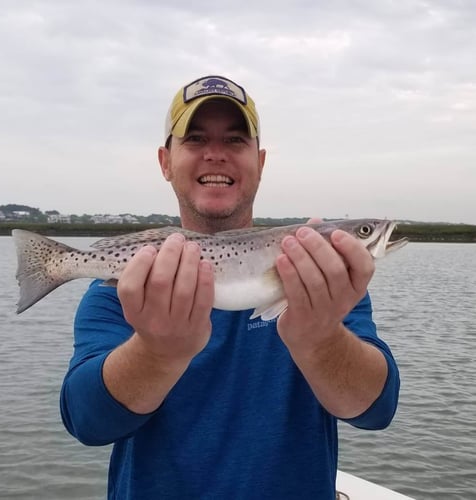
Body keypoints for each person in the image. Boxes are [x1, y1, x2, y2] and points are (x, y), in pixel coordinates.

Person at [60, 75, 400, 499]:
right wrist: (156, 353)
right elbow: (86, 422)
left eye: (236, 141)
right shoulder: (121, 290)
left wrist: (320, 339)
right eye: (196, 138)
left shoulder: (323, 280)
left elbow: (374, 411)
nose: (216, 155)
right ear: (165, 161)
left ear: (260, 162)